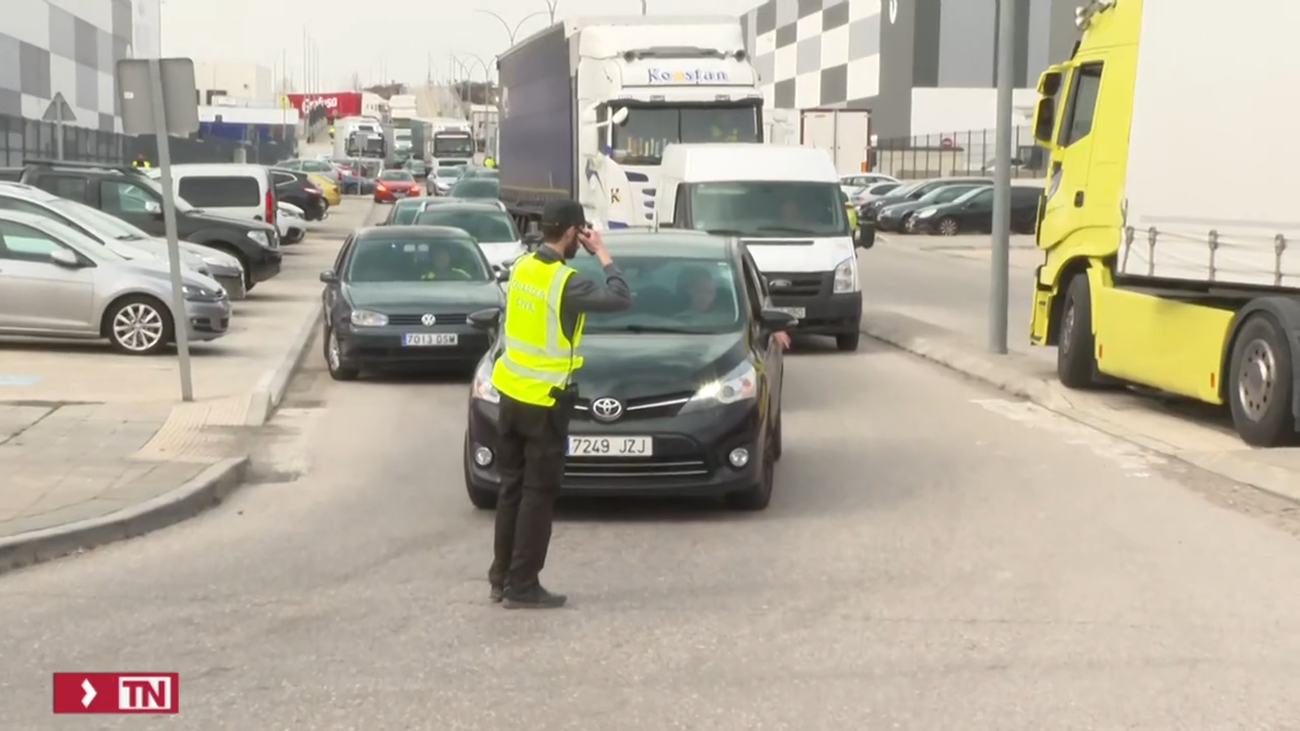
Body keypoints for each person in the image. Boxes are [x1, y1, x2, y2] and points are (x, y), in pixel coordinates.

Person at [488, 199, 632, 609]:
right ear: (572, 232)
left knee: (511, 490)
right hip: (544, 404)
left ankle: (501, 578)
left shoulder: (522, 268)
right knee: (538, 494)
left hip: (511, 396)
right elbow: (621, 298)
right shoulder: (565, 282)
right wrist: (602, 253)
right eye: (580, 232)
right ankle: (523, 585)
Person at [676, 266, 792, 349]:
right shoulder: (665, 316)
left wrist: (773, 327)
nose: (707, 297)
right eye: (701, 291)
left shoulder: (732, 311)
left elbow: (757, 313)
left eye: (710, 292)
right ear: (684, 292)